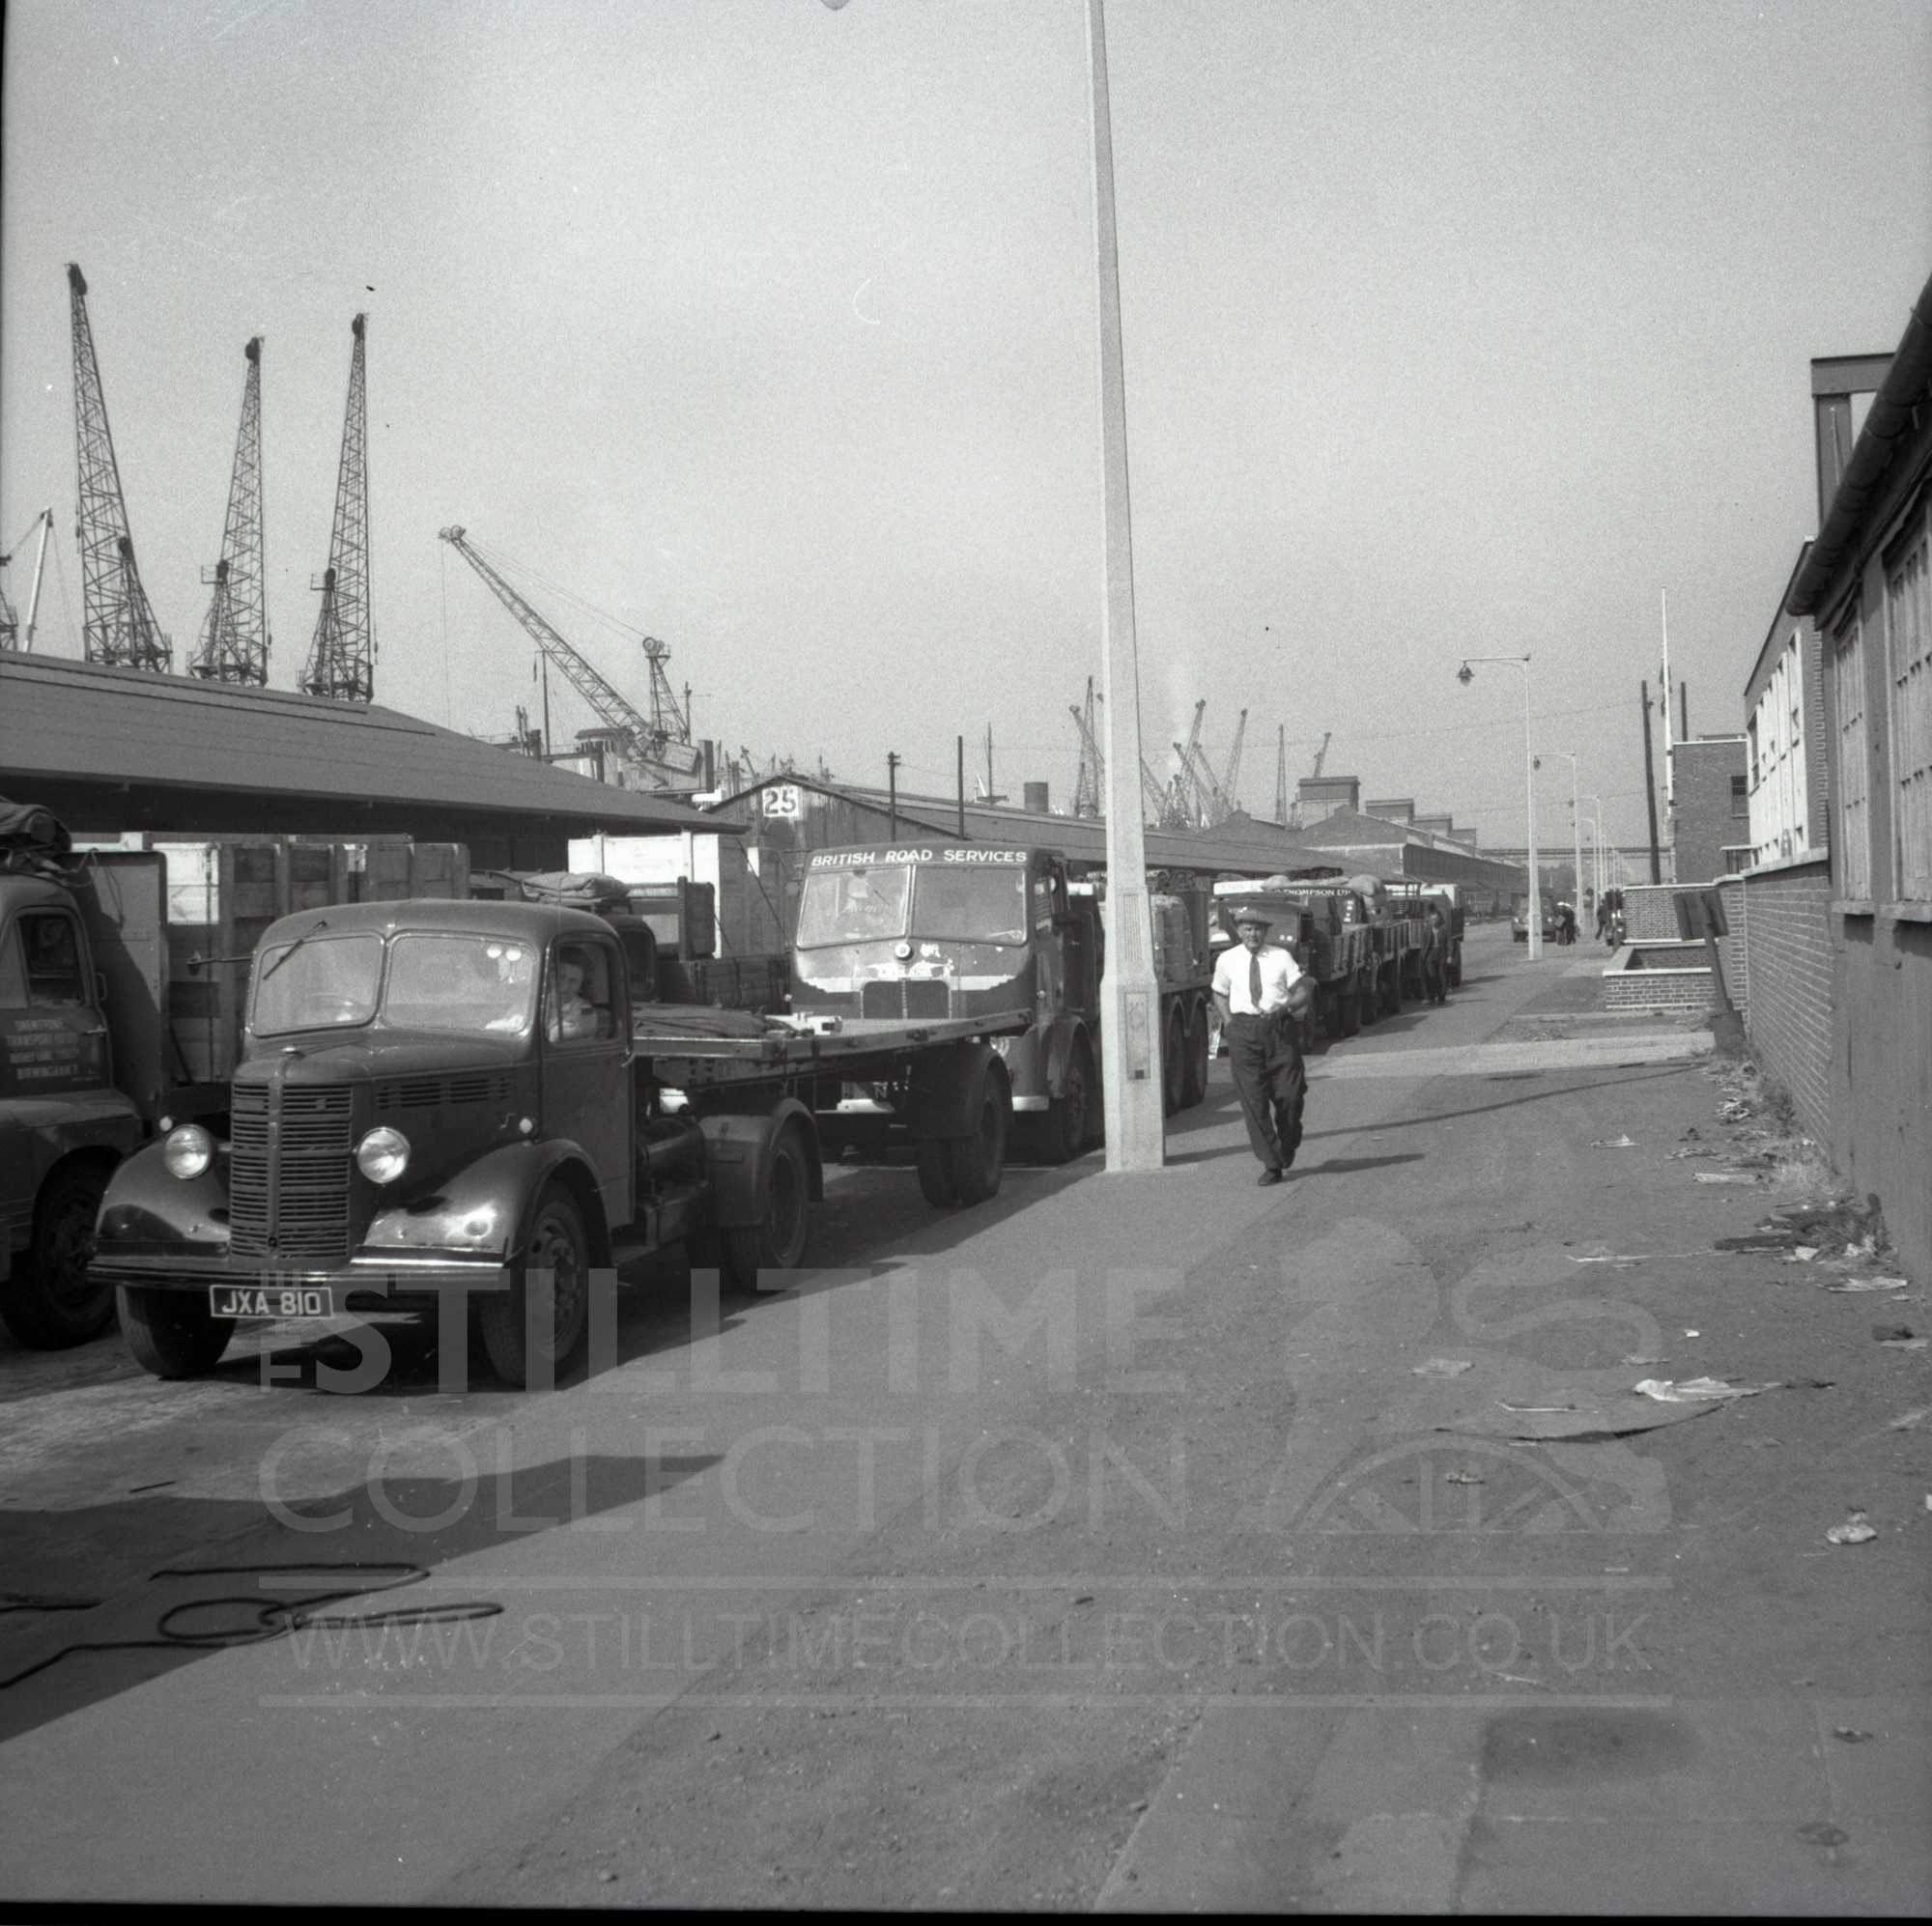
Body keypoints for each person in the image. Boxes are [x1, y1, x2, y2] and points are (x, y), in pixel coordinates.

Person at [1210, 909, 1314, 1186]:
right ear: (1238, 931)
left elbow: (1303, 989)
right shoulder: (1227, 959)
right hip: (1244, 1032)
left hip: (1279, 1030)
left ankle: (1289, 1139)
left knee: (1290, 1096)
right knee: (1254, 1102)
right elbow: (1219, 993)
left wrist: (1288, 1006)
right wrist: (1230, 1024)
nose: (1252, 934)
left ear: (1265, 932)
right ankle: (1272, 1162)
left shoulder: (1280, 957)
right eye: (1246, 929)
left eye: (1257, 929)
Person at [551, 949, 601, 1040]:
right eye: (561, 977)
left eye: (573, 981)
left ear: (581, 985)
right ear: (551, 976)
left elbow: (554, 1037)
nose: (565, 986)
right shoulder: (535, 1002)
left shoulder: (586, 1010)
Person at [1422, 903, 1449, 1004]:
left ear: (1439, 919)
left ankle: (1441, 996)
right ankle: (1431, 997)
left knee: (1441, 975)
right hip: (1430, 955)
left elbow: (1449, 942)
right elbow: (1423, 944)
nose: (1433, 921)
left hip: (1441, 954)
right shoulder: (1427, 930)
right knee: (1431, 976)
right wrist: (1423, 956)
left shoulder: (1444, 929)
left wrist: (1449, 955)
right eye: (1432, 919)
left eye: (1435, 919)